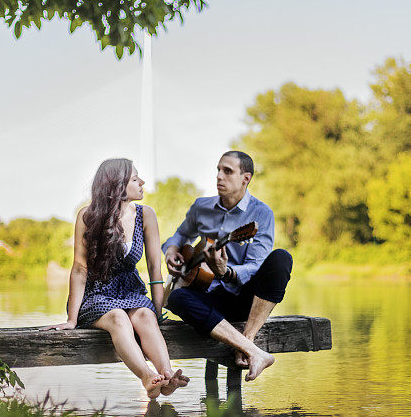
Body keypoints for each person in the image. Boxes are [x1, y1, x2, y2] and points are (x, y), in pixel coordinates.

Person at [42, 158, 189, 399]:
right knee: (119, 318)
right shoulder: (87, 216)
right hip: (96, 295)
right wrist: (71, 319)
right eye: (134, 179)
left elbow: (154, 267)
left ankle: (168, 375)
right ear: (117, 186)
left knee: (144, 316)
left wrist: (158, 310)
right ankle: (148, 378)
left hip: (130, 291)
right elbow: (80, 268)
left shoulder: (146, 214)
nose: (142, 182)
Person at [163, 151, 293, 382]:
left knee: (281, 258)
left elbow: (255, 266)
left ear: (246, 178)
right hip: (208, 297)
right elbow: (181, 234)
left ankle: (248, 339)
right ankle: (254, 352)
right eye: (218, 170)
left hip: (245, 300)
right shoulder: (201, 207)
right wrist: (172, 250)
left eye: (228, 171)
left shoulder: (261, 213)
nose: (219, 176)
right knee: (176, 298)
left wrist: (226, 272)